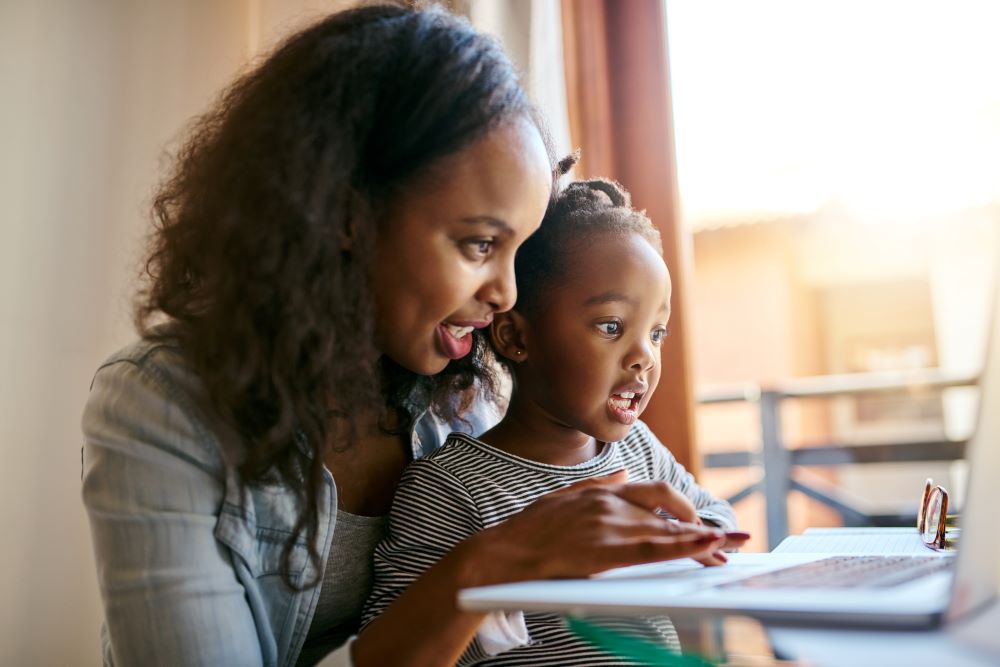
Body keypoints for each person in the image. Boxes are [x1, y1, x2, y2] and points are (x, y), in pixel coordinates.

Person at [81, 5, 730, 667]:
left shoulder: (468, 396)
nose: (506, 293)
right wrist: (494, 562)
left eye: (518, 251)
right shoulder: (161, 408)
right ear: (344, 211)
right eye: (479, 243)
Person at [362, 174, 744, 665]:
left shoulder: (639, 450)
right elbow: (396, 639)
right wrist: (521, 588)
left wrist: (683, 539)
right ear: (515, 338)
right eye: (612, 326)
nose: (644, 357)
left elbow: (719, 521)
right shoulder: (451, 487)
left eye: (657, 333)